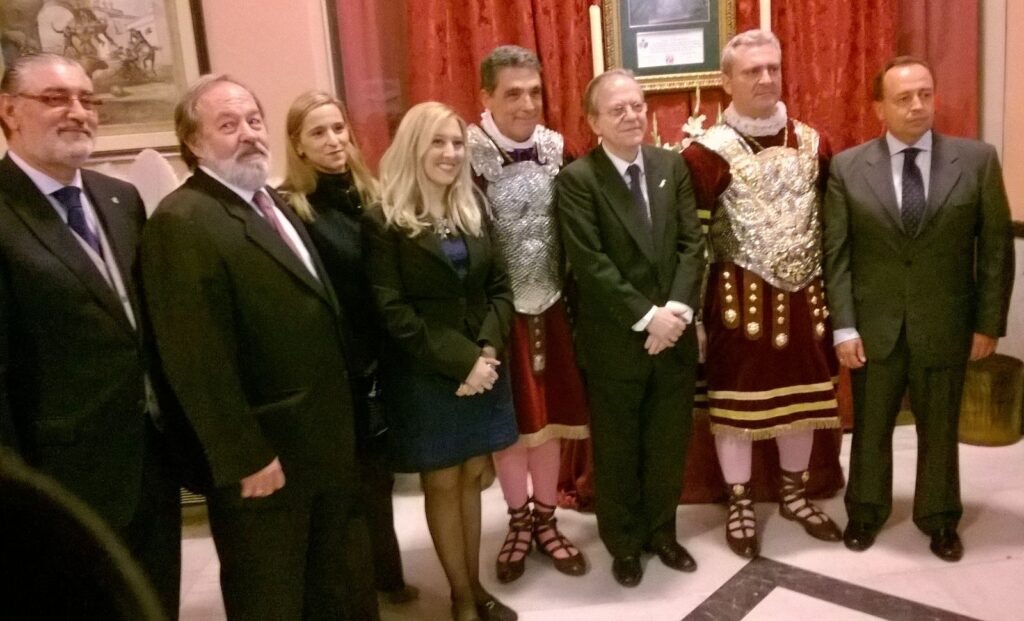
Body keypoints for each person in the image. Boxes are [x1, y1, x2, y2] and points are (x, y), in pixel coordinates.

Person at [141, 74, 378, 620]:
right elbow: (193, 359)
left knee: (332, 582)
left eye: (253, 120)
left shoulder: (269, 200)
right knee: (270, 592)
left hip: (323, 441)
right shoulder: (181, 222)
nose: (248, 133)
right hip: (264, 459)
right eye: (228, 125)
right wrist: (244, 454)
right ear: (194, 142)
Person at [0, 53, 181, 618]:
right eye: (56, 99)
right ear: (9, 111)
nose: (78, 111)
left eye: (87, 98)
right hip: (59, 476)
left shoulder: (119, 198)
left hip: (150, 458)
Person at [823, 56, 1014, 562]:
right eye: (904, 97)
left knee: (940, 429)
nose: (918, 106)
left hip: (946, 324)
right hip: (873, 326)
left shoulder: (976, 161)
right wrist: (843, 327)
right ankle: (865, 511)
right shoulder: (847, 167)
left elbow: (995, 250)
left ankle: (939, 517)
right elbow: (836, 256)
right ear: (878, 107)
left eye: (926, 94)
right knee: (869, 428)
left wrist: (987, 322)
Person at [681, 29, 843, 559]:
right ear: (726, 81)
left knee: (801, 405)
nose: (765, 79)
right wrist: (698, 321)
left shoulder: (815, 143)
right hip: (737, 303)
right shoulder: (704, 155)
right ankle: (741, 500)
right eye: (752, 71)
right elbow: (695, 244)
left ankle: (794, 493)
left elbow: (835, 233)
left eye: (772, 68)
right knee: (738, 412)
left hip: (805, 301)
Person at [363, 101, 519, 621]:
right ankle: (460, 598)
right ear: (413, 146)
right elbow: (391, 309)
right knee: (443, 481)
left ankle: (474, 588)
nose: (451, 153)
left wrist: (489, 352)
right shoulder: (384, 217)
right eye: (438, 142)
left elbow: (499, 287)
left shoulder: (473, 204)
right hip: (426, 372)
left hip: (483, 365)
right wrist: (463, 363)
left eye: (457, 143)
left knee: (473, 477)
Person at [556, 69, 705, 587]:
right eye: (617, 109)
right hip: (617, 339)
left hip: (674, 337)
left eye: (638, 105)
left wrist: (678, 314)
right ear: (593, 120)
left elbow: (693, 245)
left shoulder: (671, 166)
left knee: (668, 442)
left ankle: (663, 532)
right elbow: (591, 265)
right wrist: (650, 317)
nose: (631, 115)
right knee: (618, 449)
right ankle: (623, 544)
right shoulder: (577, 181)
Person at [281, 89, 418, 604]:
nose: (334, 140)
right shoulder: (291, 209)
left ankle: (387, 575)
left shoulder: (374, 194)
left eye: (339, 129)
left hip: (387, 356)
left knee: (379, 480)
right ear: (297, 145)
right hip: (340, 367)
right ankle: (362, 586)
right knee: (353, 485)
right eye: (318, 132)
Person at [467, 45, 589, 583]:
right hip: (498, 314)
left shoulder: (559, 149)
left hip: (556, 306)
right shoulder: (464, 156)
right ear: (486, 96)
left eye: (534, 91)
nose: (526, 103)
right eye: (513, 92)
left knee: (553, 420)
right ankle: (518, 518)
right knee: (512, 424)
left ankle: (546, 517)